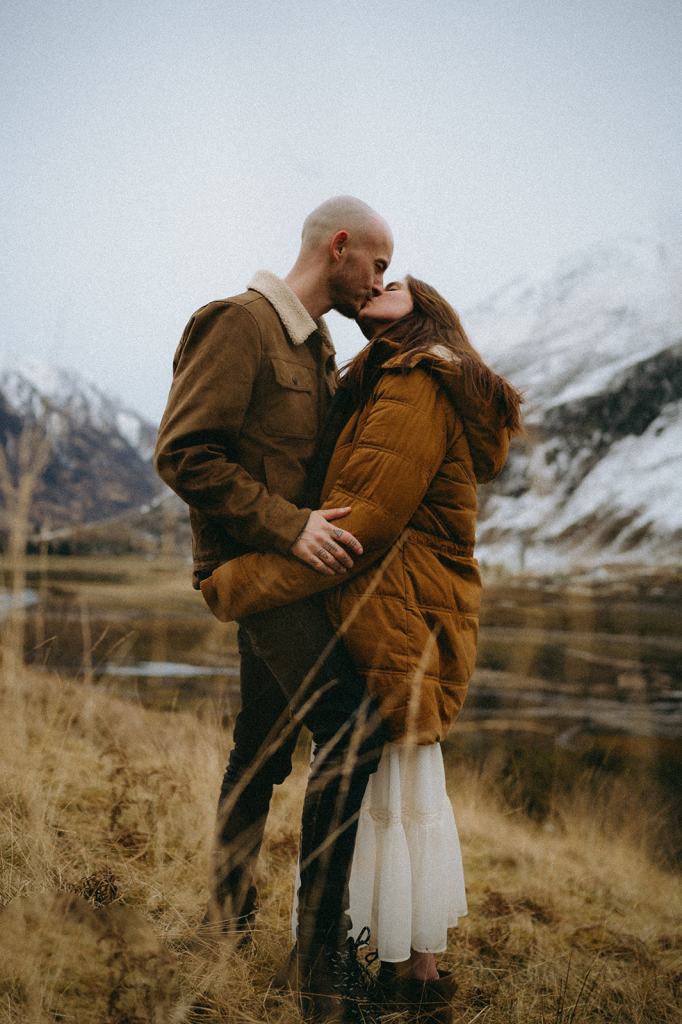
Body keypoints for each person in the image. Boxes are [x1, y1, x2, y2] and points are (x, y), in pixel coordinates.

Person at [201, 275, 524, 1021]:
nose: (379, 282)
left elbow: (362, 519)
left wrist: (236, 582)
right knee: (389, 774)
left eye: (395, 279)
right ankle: (405, 964)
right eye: (375, 275)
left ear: (427, 308)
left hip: (394, 607)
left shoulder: (415, 381)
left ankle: (386, 966)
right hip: (397, 606)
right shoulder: (390, 375)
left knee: (385, 770)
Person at [154, 197, 395, 1023]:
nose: (380, 281)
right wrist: (288, 527)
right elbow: (184, 453)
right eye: (378, 265)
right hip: (256, 571)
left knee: (258, 748)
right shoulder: (239, 324)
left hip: (296, 580)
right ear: (340, 248)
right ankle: (319, 972)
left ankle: (224, 926)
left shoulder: (321, 348)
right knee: (352, 728)